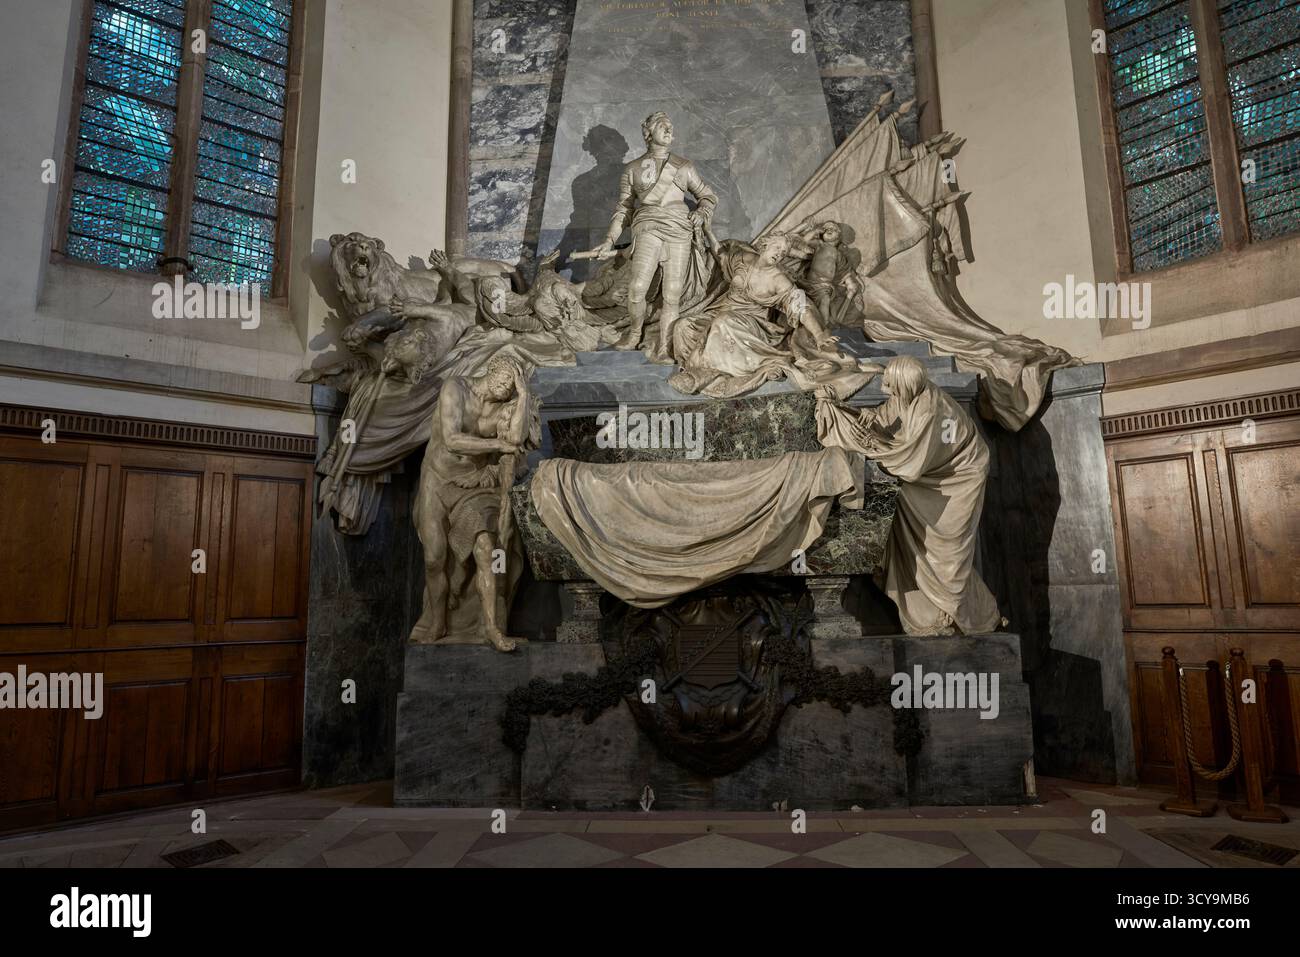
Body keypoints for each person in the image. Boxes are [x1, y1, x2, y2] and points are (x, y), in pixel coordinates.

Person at [816, 355, 1004, 636]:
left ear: (906, 386)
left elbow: (912, 464)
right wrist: (871, 420)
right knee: (914, 541)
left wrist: (867, 450)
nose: (885, 391)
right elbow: (892, 417)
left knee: (945, 552)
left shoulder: (933, 411)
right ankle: (929, 616)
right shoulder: (908, 396)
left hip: (956, 481)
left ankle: (964, 616)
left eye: (891, 387)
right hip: (927, 479)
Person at [409, 354, 539, 652]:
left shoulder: (502, 409)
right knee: (434, 558)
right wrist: (496, 444)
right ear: (491, 370)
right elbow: (452, 440)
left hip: (474, 486)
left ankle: (492, 628)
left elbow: (516, 440)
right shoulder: (455, 388)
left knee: (486, 548)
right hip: (437, 481)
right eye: (505, 380)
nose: (506, 389)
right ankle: (438, 622)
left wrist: (524, 394)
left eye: (512, 386)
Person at [668, 233, 876, 399]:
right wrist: (705, 226)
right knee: (683, 326)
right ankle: (692, 367)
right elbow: (720, 254)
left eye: (784, 252)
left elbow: (800, 306)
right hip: (721, 311)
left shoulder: (779, 280)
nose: (780, 253)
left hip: (753, 324)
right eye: (777, 248)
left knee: (724, 324)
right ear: (765, 245)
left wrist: (819, 334)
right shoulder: (743, 258)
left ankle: (704, 375)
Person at [587, 111, 718, 360]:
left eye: (670, 126)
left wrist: (701, 212)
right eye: (662, 126)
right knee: (637, 288)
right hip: (647, 227)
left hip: (679, 230)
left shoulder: (684, 166)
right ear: (648, 133)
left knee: (672, 293)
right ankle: (635, 333)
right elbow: (624, 209)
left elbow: (708, 196)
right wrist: (609, 241)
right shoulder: (632, 169)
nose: (669, 130)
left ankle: (665, 346)